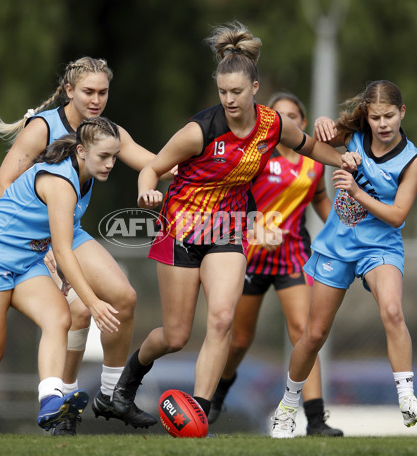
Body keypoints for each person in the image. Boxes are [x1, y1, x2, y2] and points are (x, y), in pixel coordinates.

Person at [109, 21, 360, 436]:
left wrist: (342, 160)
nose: (229, 99)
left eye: (237, 92)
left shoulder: (272, 124)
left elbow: (310, 147)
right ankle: (128, 381)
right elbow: (152, 168)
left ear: (255, 87)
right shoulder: (200, 131)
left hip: (228, 228)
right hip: (181, 229)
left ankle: (200, 413)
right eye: (223, 92)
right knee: (175, 336)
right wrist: (145, 193)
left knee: (223, 319)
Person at [0, 57, 160, 434]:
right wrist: (42, 243)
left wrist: (202, 169)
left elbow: (155, 161)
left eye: (103, 92)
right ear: (69, 91)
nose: (97, 99)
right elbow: (2, 185)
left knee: (125, 297)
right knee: (78, 313)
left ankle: (112, 395)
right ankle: (62, 407)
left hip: (71, 233)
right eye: (88, 92)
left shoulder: (105, 130)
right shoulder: (43, 127)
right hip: (30, 238)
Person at [268, 80, 417, 438]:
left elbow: (396, 215)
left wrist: (357, 190)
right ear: (367, 116)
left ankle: (407, 400)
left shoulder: (414, 160)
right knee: (313, 335)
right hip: (337, 247)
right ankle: (286, 409)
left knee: (392, 310)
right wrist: (322, 125)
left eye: (389, 116)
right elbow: (310, 144)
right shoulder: (353, 135)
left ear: (402, 112)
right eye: (375, 117)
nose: (383, 124)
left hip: (381, 247)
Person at [0, 117, 121, 437]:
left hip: (24, 262)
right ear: (81, 151)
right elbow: (63, 251)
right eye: (104, 156)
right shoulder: (62, 183)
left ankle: (50, 399)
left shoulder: (84, 177)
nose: (111, 163)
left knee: (59, 317)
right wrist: (93, 302)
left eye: (115, 156)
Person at [208, 92, 342, 436]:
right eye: (279, 115)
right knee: (238, 341)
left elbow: (321, 198)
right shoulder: (257, 157)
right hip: (249, 258)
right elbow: (231, 199)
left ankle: (315, 420)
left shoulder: (313, 162)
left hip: (293, 259)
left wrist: (344, 234)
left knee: (306, 333)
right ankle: (217, 395)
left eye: (292, 116)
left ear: (303, 122)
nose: (286, 121)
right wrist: (252, 229)